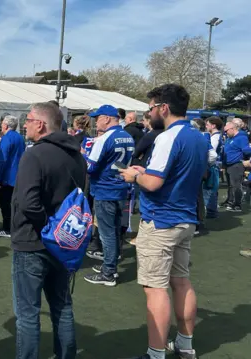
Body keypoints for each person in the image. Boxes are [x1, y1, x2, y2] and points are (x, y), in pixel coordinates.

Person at [120, 84, 207, 359]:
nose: (150, 113)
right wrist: (146, 173)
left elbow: (154, 183)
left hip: (161, 220)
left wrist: (134, 175)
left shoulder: (168, 137)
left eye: (151, 107)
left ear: (163, 108)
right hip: (185, 218)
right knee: (181, 281)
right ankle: (185, 344)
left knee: (155, 288)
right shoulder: (199, 136)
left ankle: (155, 353)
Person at [11, 102, 85, 359]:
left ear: (40, 124)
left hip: (34, 241)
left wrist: (47, 229)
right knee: (62, 307)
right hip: (64, 243)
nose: (25, 124)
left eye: (28, 119)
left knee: (28, 313)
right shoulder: (77, 155)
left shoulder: (34, 154)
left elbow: (28, 202)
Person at [83, 104, 134, 287]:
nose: (96, 122)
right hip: (121, 187)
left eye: (98, 118)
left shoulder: (105, 138)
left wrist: (84, 156)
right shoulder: (127, 136)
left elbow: (90, 167)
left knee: (107, 232)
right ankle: (110, 264)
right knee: (113, 230)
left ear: (107, 118)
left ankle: (109, 271)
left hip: (105, 189)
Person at [0, 115, 25, 238]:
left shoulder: (7, 138)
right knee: (13, 203)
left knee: (4, 203)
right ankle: (13, 226)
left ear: (5, 125)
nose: (1, 126)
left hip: (7, 177)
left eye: (2, 124)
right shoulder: (19, 137)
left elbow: (2, 159)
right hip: (17, 175)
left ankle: (7, 228)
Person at [221, 119, 251, 212]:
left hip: (236, 165)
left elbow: (247, 150)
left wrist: (248, 160)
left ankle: (237, 205)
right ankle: (230, 202)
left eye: (226, 131)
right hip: (229, 164)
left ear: (233, 129)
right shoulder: (230, 138)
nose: (225, 133)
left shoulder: (241, 137)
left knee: (236, 185)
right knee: (230, 185)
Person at [204, 116, 224, 218]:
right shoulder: (215, 136)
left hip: (212, 166)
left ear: (213, 125)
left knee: (211, 189)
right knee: (211, 189)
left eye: (207, 124)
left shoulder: (215, 137)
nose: (206, 127)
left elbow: (211, 153)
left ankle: (211, 212)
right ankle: (212, 211)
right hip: (214, 165)